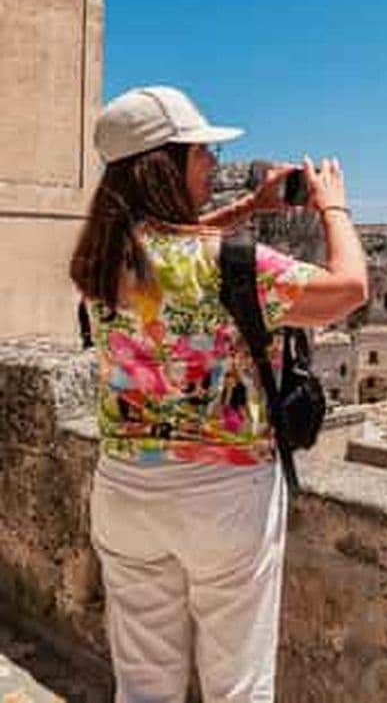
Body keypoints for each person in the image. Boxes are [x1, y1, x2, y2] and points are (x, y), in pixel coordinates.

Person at [70, 85, 368, 703]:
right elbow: (349, 288)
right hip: (224, 497)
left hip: (125, 488)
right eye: (201, 152)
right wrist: (333, 208)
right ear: (165, 165)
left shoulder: (103, 261)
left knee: (144, 683)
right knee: (238, 685)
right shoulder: (228, 263)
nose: (212, 162)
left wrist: (247, 208)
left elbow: (174, 250)